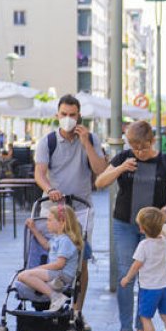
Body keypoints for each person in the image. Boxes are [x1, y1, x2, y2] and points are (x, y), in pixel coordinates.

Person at [94, 120, 166, 331]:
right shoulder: (124, 158)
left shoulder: (165, 162)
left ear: (152, 141)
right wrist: (120, 168)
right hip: (124, 223)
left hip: (152, 229)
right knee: (126, 274)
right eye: (134, 147)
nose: (139, 152)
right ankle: (125, 330)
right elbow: (100, 182)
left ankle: (142, 328)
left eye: (143, 147)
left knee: (148, 275)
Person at [34, 94, 108, 314]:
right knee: (53, 255)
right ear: (57, 115)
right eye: (64, 114)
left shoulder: (91, 139)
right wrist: (50, 190)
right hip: (55, 209)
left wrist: (86, 143)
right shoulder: (47, 142)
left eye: (72, 115)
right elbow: (40, 174)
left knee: (81, 261)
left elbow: (101, 171)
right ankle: (48, 296)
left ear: (79, 116)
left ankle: (77, 310)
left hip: (82, 208)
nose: (68, 118)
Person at [120, 207, 166, 331]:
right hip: (165, 286)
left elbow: (136, 265)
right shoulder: (163, 241)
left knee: (145, 318)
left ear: (142, 228)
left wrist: (127, 278)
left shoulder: (144, 246)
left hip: (149, 289)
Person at [16, 204, 83, 310]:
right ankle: (53, 285)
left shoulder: (65, 240)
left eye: (50, 220)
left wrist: (39, 268)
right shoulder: (57, 238)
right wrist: (34, 230)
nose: (47, 223)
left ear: (62, 222)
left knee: (23, 276)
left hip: (62, 273)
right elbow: (46, 245)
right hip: (58, 273)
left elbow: (59, 264)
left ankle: (56, 296)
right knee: (25, 276)